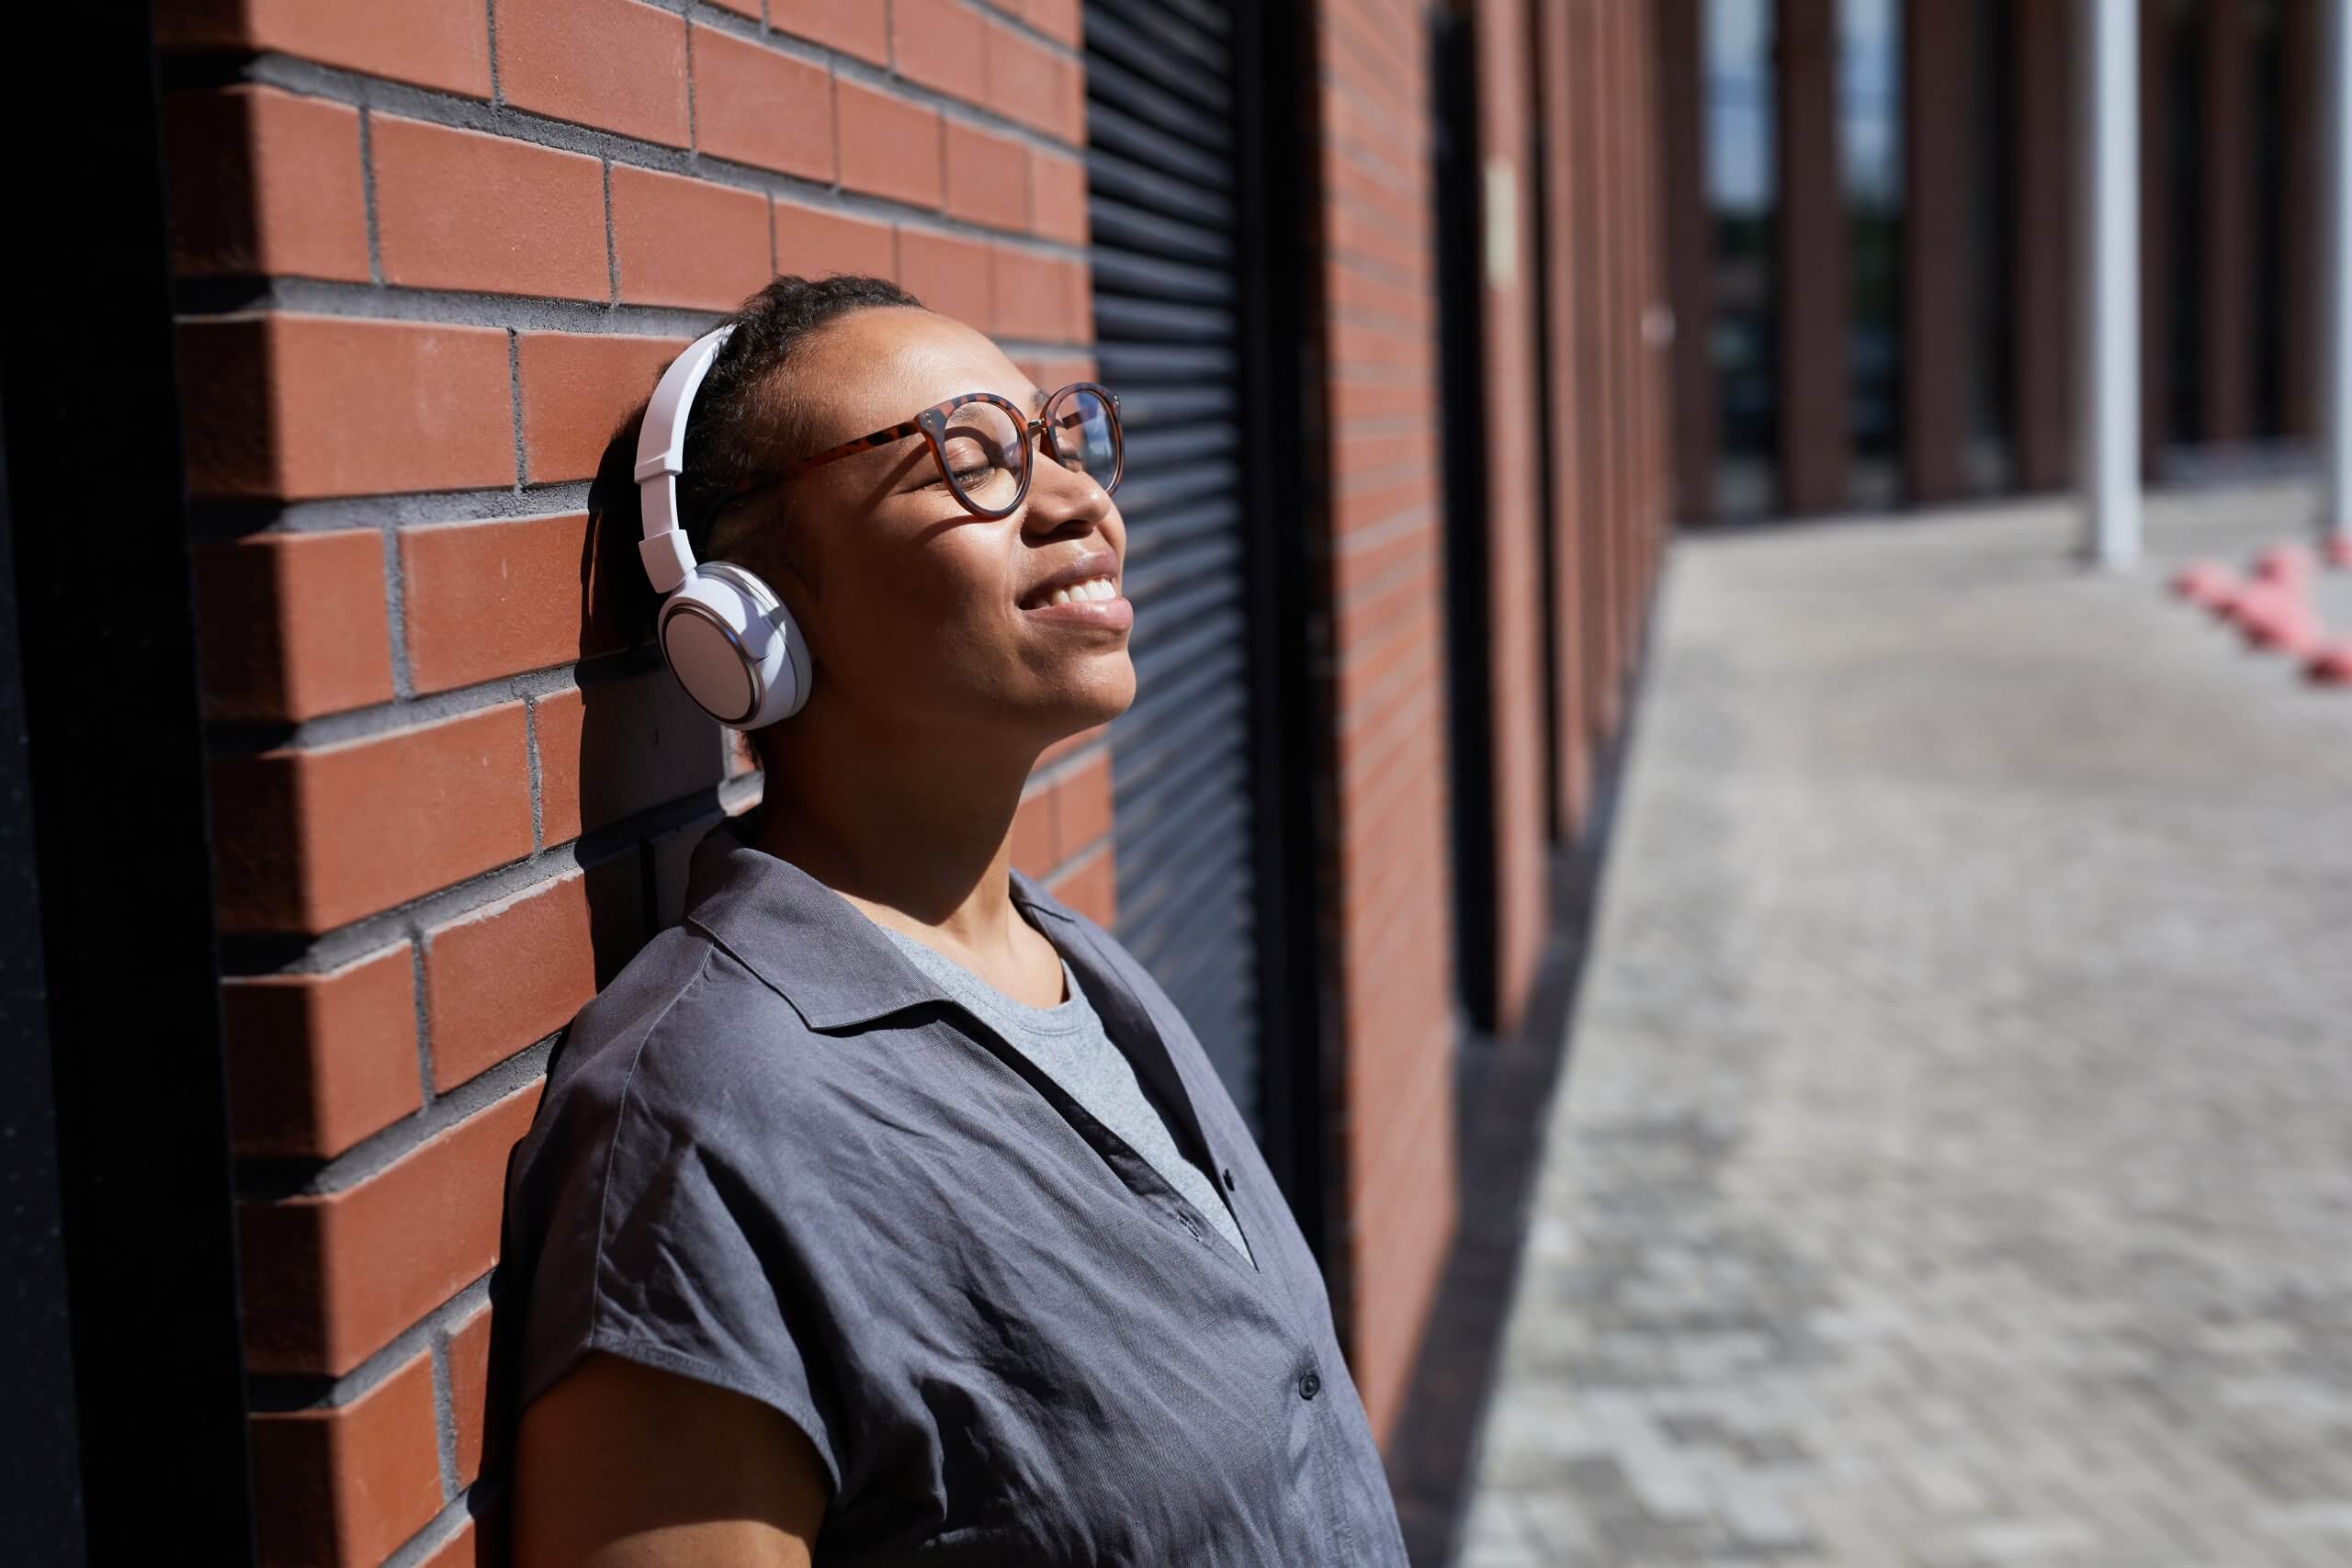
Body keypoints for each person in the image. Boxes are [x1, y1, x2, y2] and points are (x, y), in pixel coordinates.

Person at [485, 275, 1409, 1566]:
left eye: (1060, 442)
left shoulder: (1079, 965)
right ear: (746, 619)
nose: (1083, 503)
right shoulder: (708, 1124)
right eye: (968, 462)